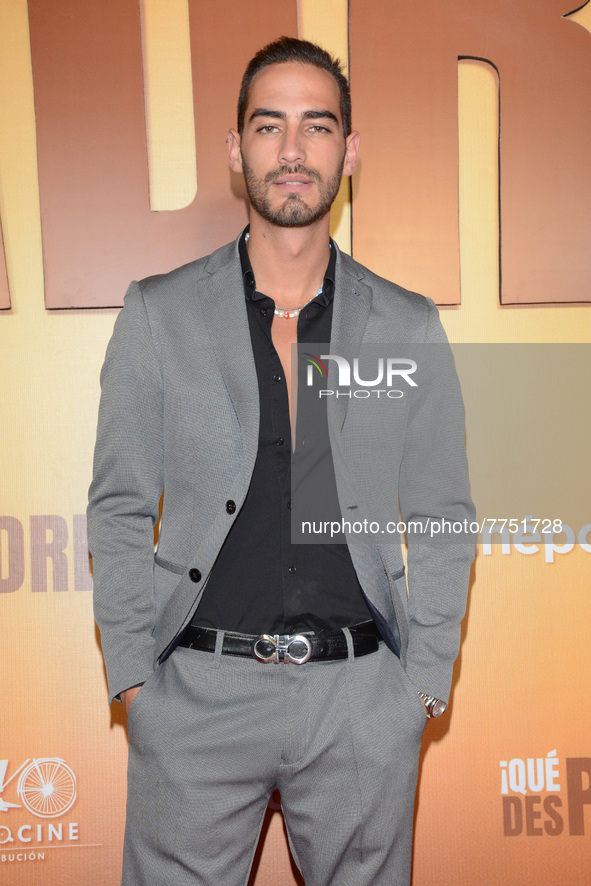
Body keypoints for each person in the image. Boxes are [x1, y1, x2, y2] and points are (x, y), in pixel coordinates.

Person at [87, 36, 475, 886]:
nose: (293, 151)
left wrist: (417, 688)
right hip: (194, 700)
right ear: (236, 150)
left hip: (360, 701)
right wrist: (134, 684)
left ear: (349, 150)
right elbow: (118, 507)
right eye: (269, 127)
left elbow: (443, 515)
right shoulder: (159, 314)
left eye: (317, 126)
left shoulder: (405, 324)